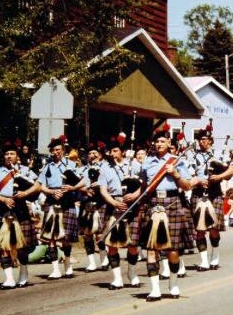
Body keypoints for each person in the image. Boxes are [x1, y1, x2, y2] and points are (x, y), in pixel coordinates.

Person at [139, 129, 193, 301]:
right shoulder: (147, 163)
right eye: (157, 142)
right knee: (151, 249)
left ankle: (173, 283)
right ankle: (155, 289)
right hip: (153, 205)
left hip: (173, 204)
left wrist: (175, 173)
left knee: (173, 251)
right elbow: (144, 187)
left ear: (169, 143)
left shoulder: (177, 161)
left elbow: (187, 186)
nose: (159, 144)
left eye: (162, 141)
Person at [0, 141, 40, 289]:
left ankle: (23, 273)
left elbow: (38, 185)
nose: (9, 156)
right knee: (4, 247)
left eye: (12, 154)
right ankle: (9, 279)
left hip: (21, 210)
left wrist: (26, 193)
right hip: (4, 211)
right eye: (6, 154)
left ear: (17, 156)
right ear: (3, 157)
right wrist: (3, 199)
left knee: (22, 248)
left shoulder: (25, 170)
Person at [35, 136, 86, 280]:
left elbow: (84, 180)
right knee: (51, 237)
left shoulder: (71, 164)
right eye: (53, 150)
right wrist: (51, 192)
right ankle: (55, 269)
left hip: (68, 200)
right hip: (52, 200)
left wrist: (72, 187)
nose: (56, 152)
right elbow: (41, 185)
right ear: (51, 152)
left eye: (58, 149)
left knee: (66, 237)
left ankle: (68, 266)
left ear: (63, 150)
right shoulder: (47, 167)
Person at [189, 124, 233, 272]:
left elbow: (232, 169)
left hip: (214, 193)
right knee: (200, 229)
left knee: (213, 228)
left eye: (205, 139)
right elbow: (188, 173)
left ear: (210, 141)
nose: (202, 142)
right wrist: (196, 179)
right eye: (200, 139)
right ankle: (203, 261)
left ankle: (214, 257)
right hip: (198, 193)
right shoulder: (192, 155)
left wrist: (219, 177)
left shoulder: (218, 154)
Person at [98, 138, 143, 290]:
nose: (112, 154)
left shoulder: (134, 164)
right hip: (114, 205)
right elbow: (103, 190)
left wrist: (135, 195)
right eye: (110, 151)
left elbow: (145, 184)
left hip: (132, 205)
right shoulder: (105, 168)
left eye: (115, 150)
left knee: (133, 244)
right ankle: (117, 279)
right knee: (112, 244)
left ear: (122, 151)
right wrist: (114, 202)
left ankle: (132, 273)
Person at [78, 142, 109, 272]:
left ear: (100, 154)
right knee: (87, 234)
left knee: (100, 234)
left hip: (101, 202)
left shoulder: (106, 167)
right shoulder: (82, 169)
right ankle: (91, 262)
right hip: (87, 202)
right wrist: (85, 190)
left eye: (94, 153)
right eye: (90, 153)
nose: (92, 155)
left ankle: (104, 259)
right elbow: (78, 184)